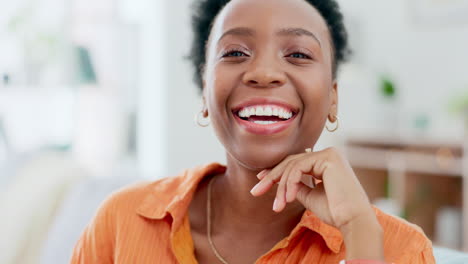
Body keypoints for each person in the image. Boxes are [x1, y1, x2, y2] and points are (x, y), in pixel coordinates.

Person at [70, 0, 436, 263]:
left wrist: (360, 232)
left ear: (333, 100)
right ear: (204, 90)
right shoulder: (121, 221)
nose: (263, 73)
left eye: (298, 54)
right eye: (235, 52)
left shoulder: (400, 249)